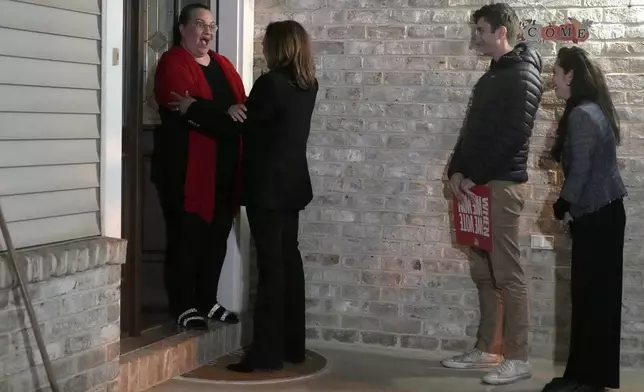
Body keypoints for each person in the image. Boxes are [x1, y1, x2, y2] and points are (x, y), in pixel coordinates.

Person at [443, 3, 544, 385]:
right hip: (479, 184)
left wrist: (475, 176)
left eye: (481, 29)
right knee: (483, 272)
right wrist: (456, 170)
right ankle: (488, 348)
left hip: (500, 186)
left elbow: (512, 136)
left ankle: (518, 357)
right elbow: (473, 130)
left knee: (507, 274)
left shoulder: (522, 74)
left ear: (501, 31)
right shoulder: (495, 74)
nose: (476, 37)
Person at [152, 3, 244, 329]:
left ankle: (207, 300)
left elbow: (241, 115)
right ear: (182, 28)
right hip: (185, 171)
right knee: (186, 238)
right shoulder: (173, 62)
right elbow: (179, 105)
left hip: (222, 172)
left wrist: (201, 110)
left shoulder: (223, 65)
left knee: (216, 239)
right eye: (200, 24)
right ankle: (182, 304)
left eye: (212, 26)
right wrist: (221, 115)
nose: (208, 32)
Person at [541, 46, 626, 392]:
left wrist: (562, 206)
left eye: (558, 73)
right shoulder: (591, 110)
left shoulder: (582, 115)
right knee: (598, 299)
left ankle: (585, 381)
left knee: (591, 297)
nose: (554, 80)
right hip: (605, 214)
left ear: (571, 76)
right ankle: (587, 378)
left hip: (597, 216)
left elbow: (581, 174)